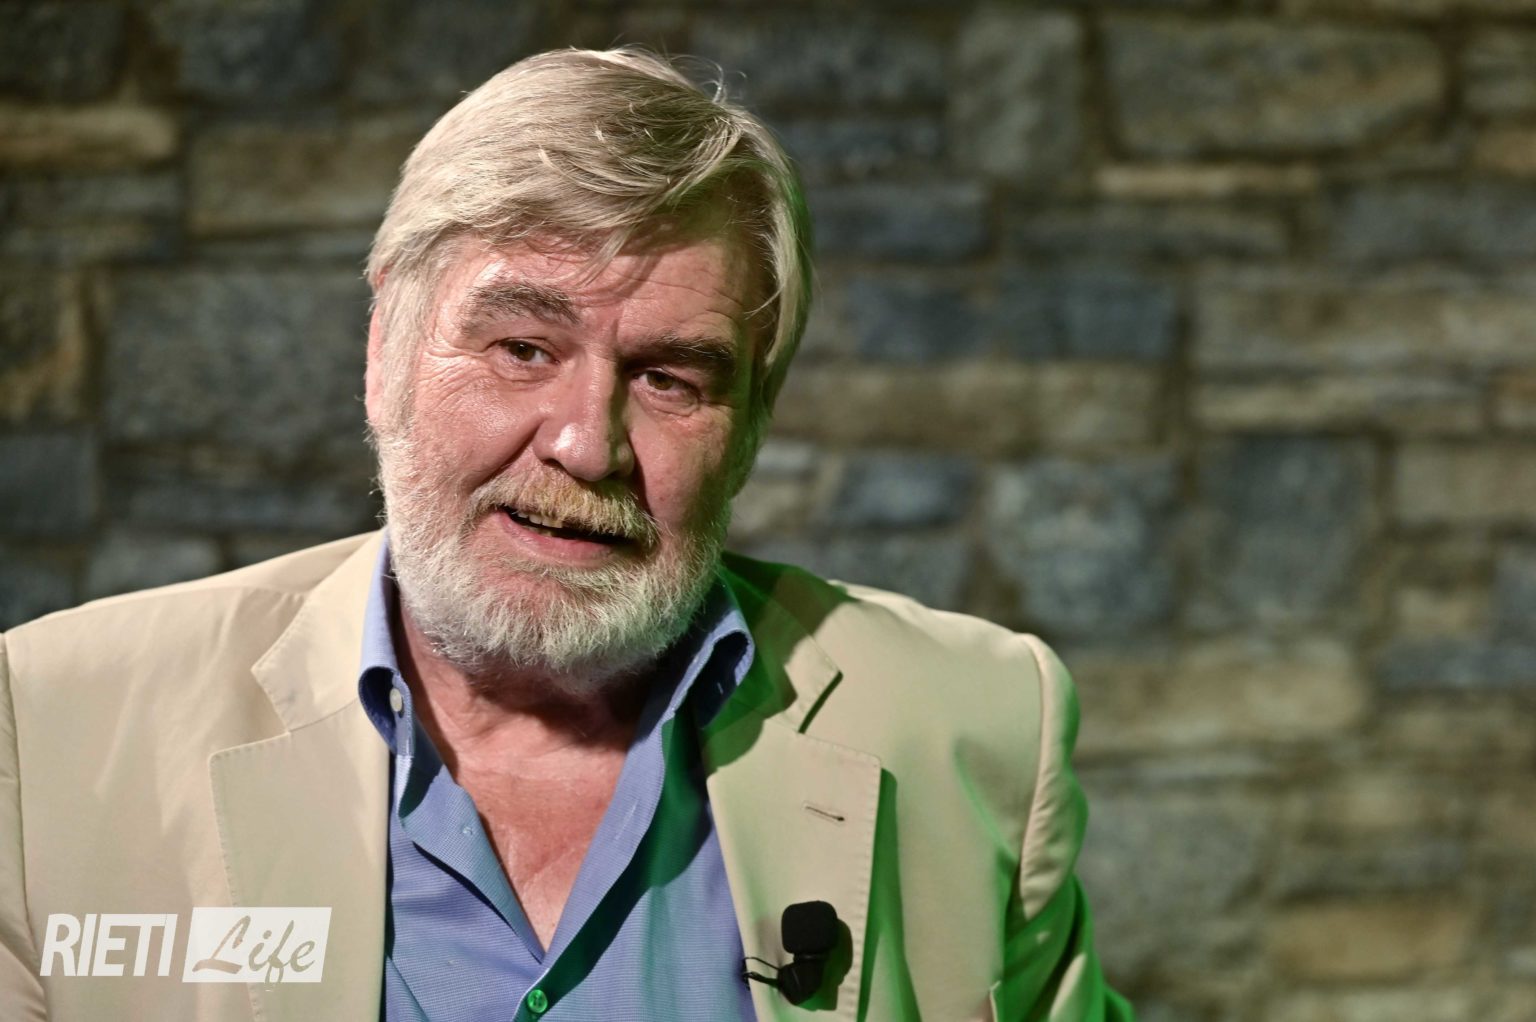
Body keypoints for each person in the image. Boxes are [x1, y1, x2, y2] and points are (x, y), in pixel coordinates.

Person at [0, 48, 1131, 1021]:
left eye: (671, 377)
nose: (589, 445)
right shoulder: (53, 729)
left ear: (753, 423)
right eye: (523, 349)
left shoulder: (973, 728)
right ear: (385, 348)